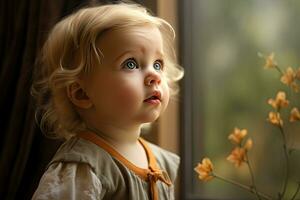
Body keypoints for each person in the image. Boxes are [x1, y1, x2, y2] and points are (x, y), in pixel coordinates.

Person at [31, 1, 184, 199]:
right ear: (82, 94)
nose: (154, 76)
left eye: (157, 64)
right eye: (131, 63)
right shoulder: (83, 167)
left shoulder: (159, 161)